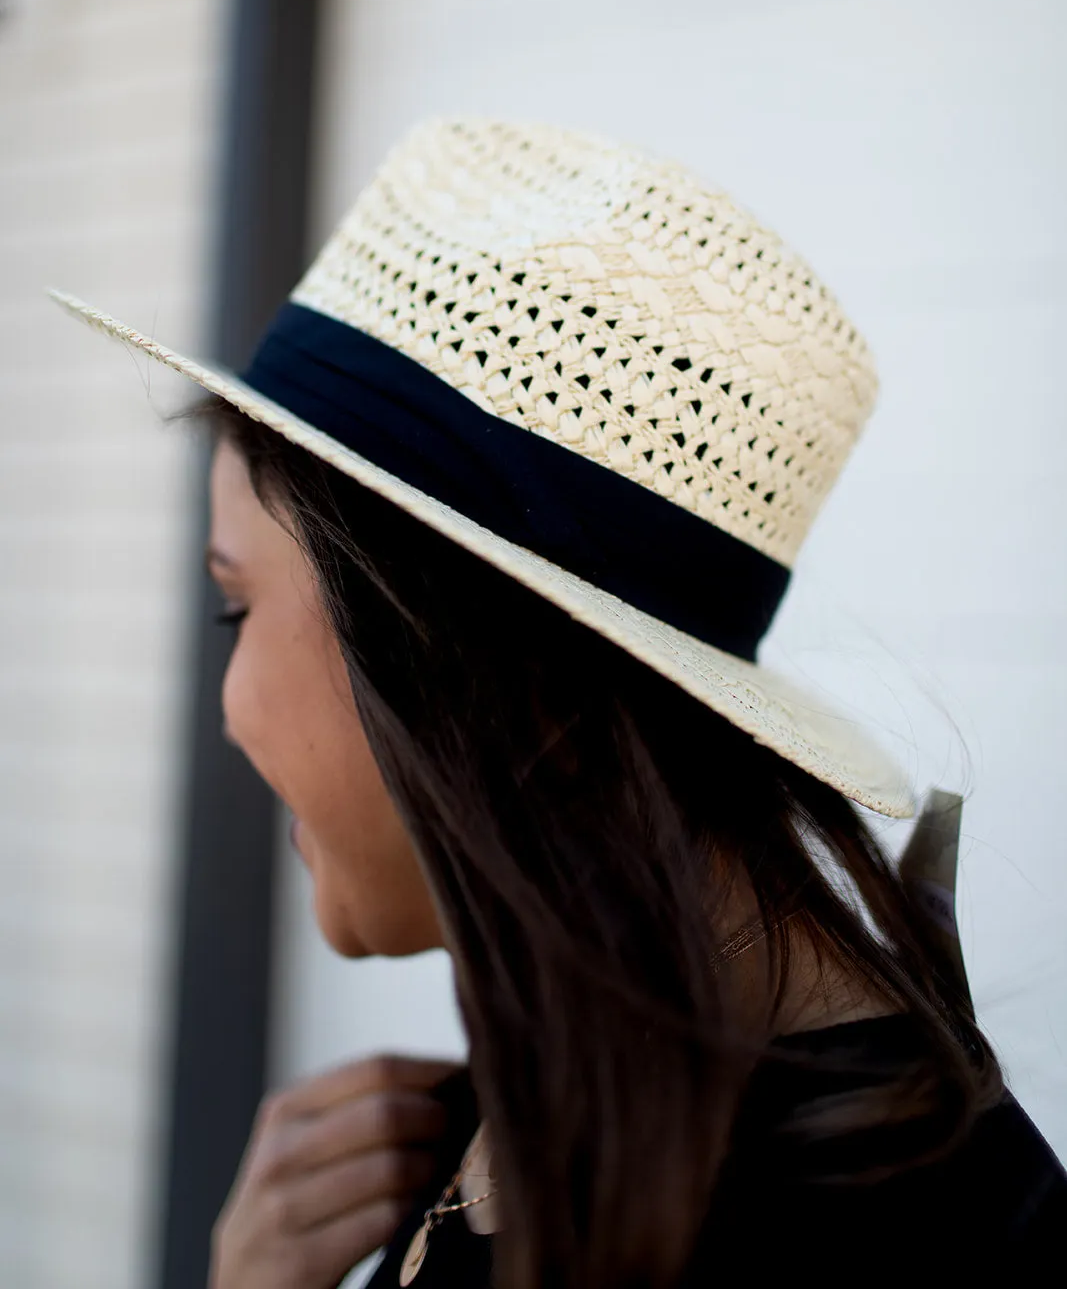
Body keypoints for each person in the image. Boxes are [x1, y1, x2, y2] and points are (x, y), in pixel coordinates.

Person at [54, 120, 1066, 1288]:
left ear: (475, 669)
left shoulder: (888, 1236)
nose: (227, 712)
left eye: (238, 609)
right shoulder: (567, 1105)